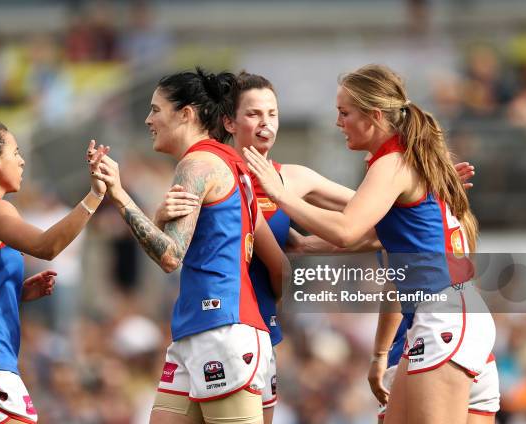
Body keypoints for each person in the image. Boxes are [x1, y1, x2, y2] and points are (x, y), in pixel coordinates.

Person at [155, 70, 478, 423]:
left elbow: (377, 217)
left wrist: (424, 190)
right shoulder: (214, 171)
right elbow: (177, 246)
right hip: (212, 324)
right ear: (229, 122)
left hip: (247, 331)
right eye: (254, 114)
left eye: (273, 114)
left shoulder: (291, 178)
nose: (266, 123)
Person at [244, 64, 495, 424]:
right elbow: (375, 234)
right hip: (446, 316)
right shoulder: (404, 160)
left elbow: (348, 229)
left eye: (344, 113)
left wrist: (280, 194)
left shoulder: (393, 163)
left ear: (375, 116)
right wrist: (306, 245)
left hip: (444, 315)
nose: (338, 122)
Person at [90, 68, 288, 424]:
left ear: (186, 114)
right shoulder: (233, 166)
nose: (149, 119)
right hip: (203, 329)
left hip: (222, 330)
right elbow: (279, 265)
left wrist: (120, 195)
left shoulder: (196, 164)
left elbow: (169, 256)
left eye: (155, 109)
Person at [0, 119, 105, 423]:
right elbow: (46, 247)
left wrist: (16, 291)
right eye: (16, 152)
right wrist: (94, 196)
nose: (22, 160)